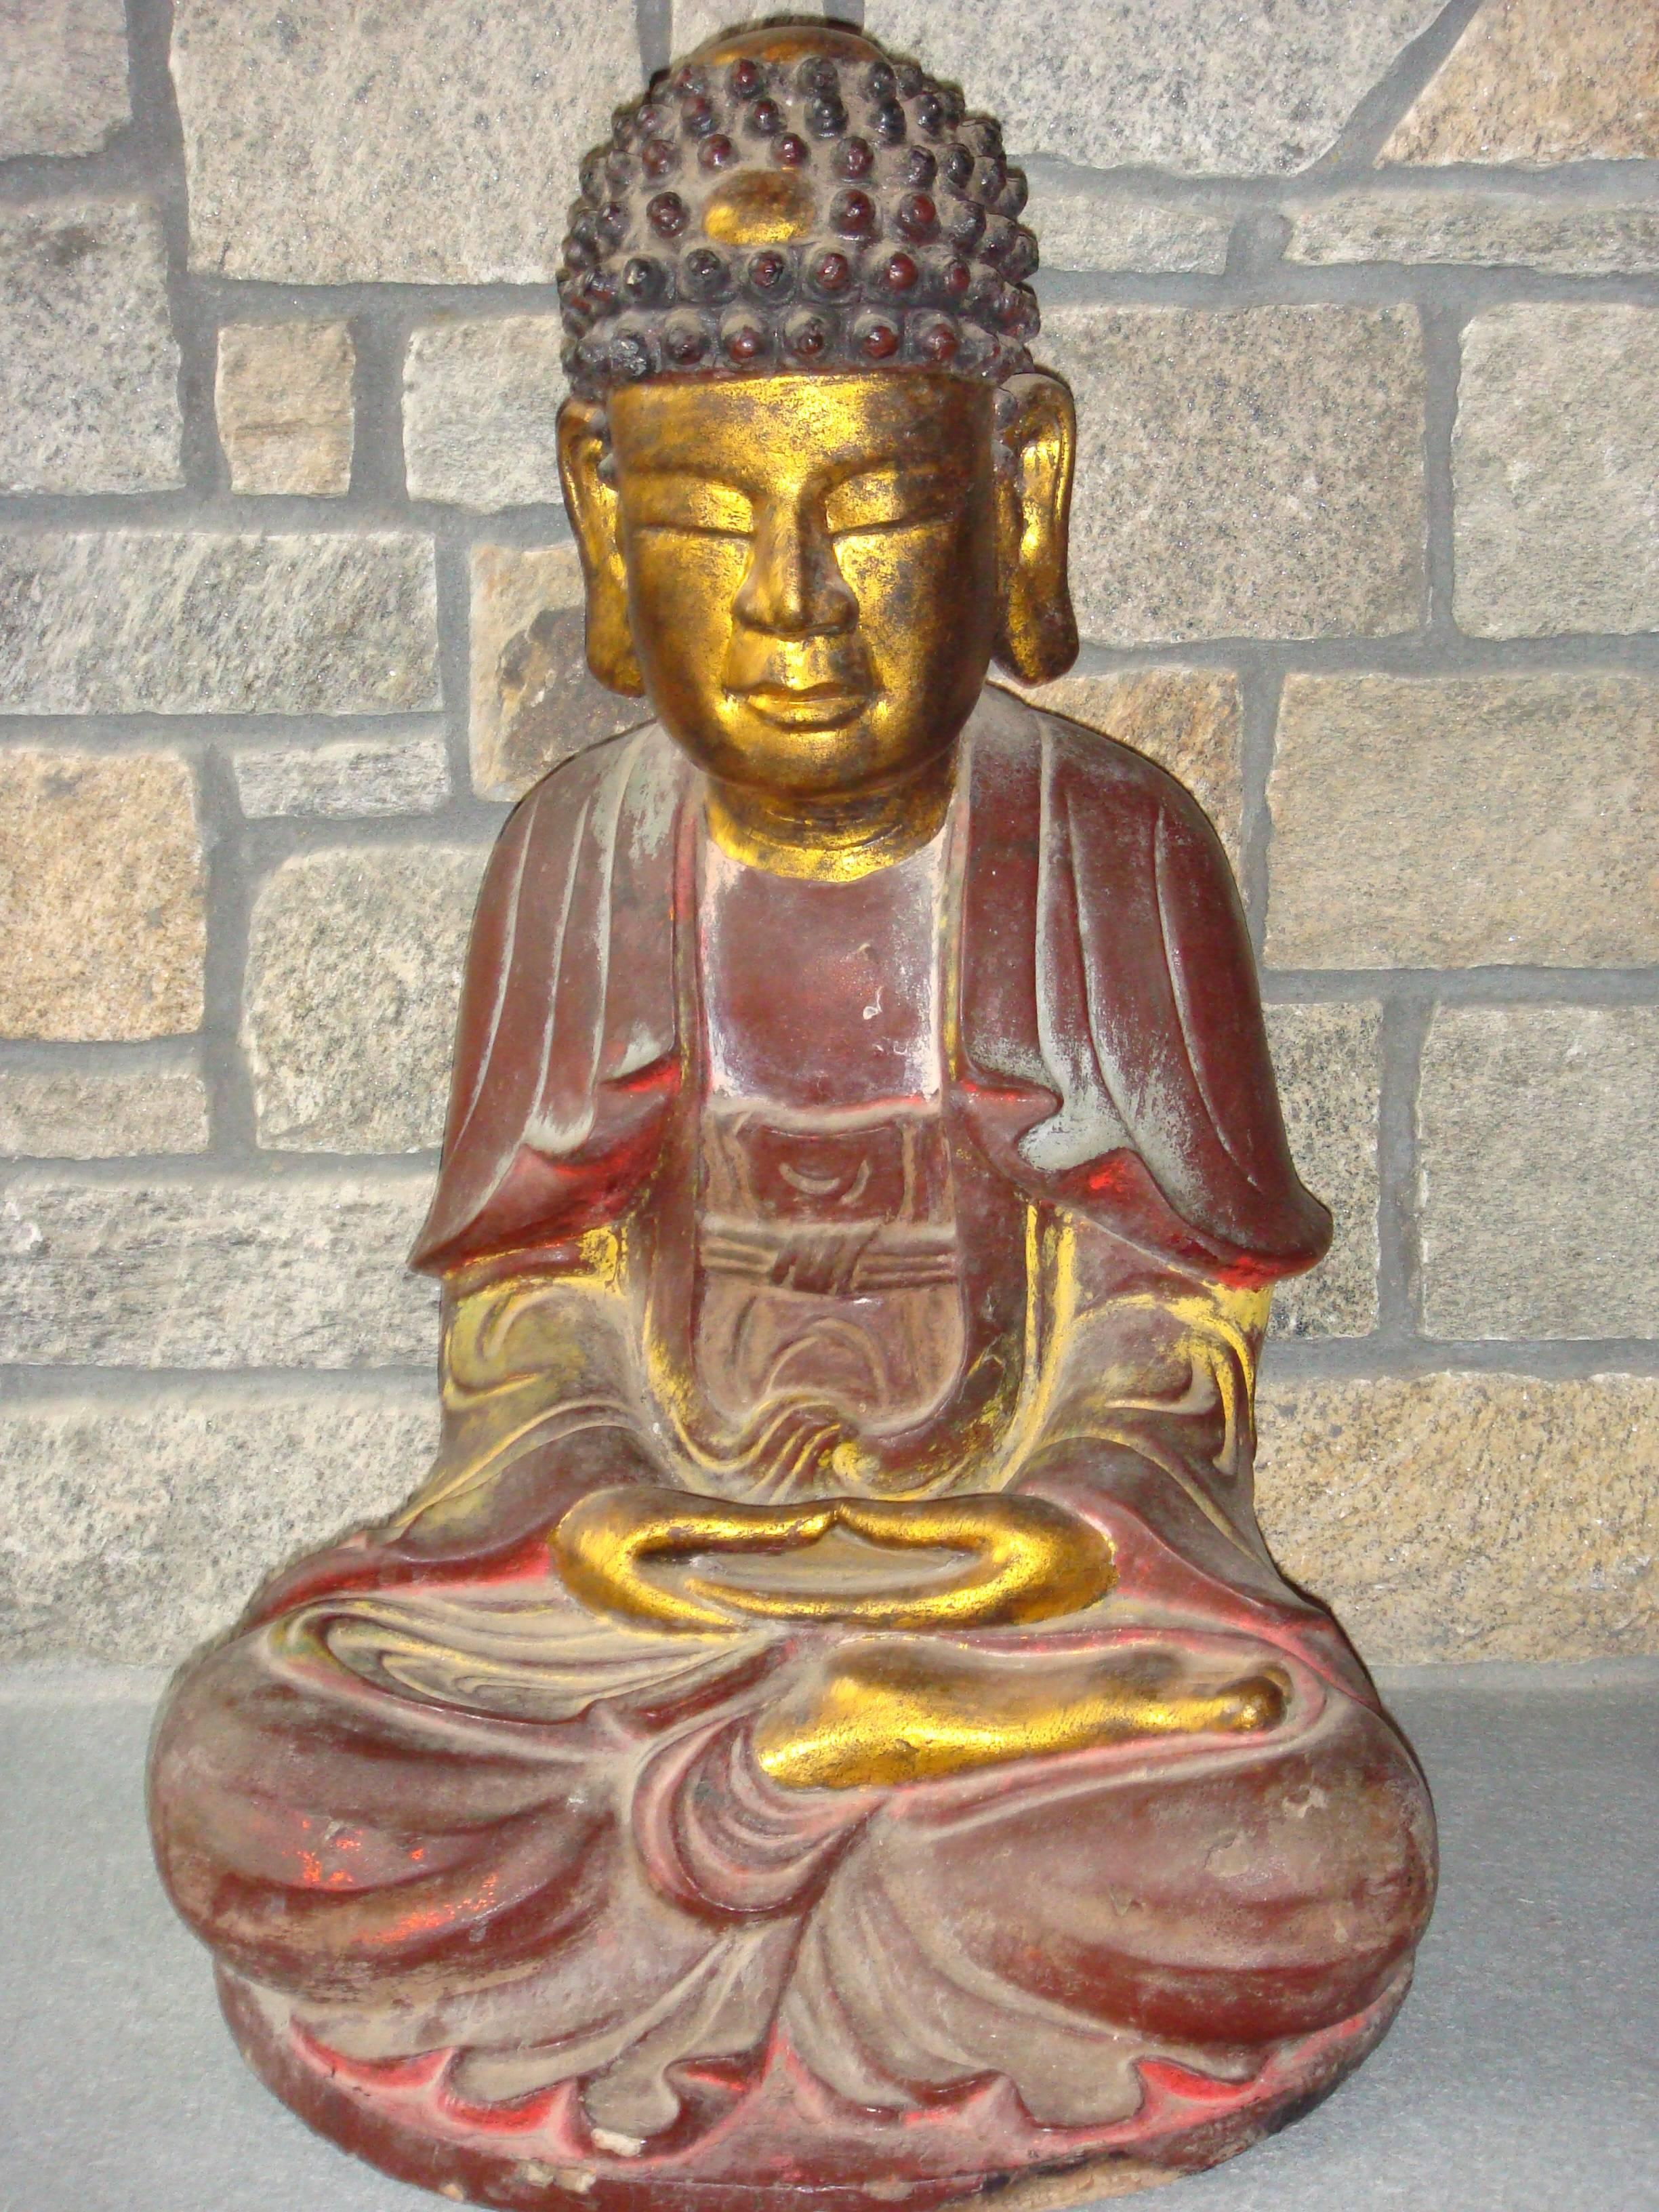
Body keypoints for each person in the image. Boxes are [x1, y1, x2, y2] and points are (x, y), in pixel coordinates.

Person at [149, 24, 1435, 2208]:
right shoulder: (582, 853)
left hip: (1005, 1587)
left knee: (1306, 1831)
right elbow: (530, 1306)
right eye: (709, 515)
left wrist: (1046, 1540)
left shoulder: (1110, 848)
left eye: (878, 509)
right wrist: (601, 1508)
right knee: (260, 1755)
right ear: (600, 512)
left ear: (1018, 491)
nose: (795, 606)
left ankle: (838, 1805)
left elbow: (1168, 1334)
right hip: (643, 1585)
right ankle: (824, 1830)